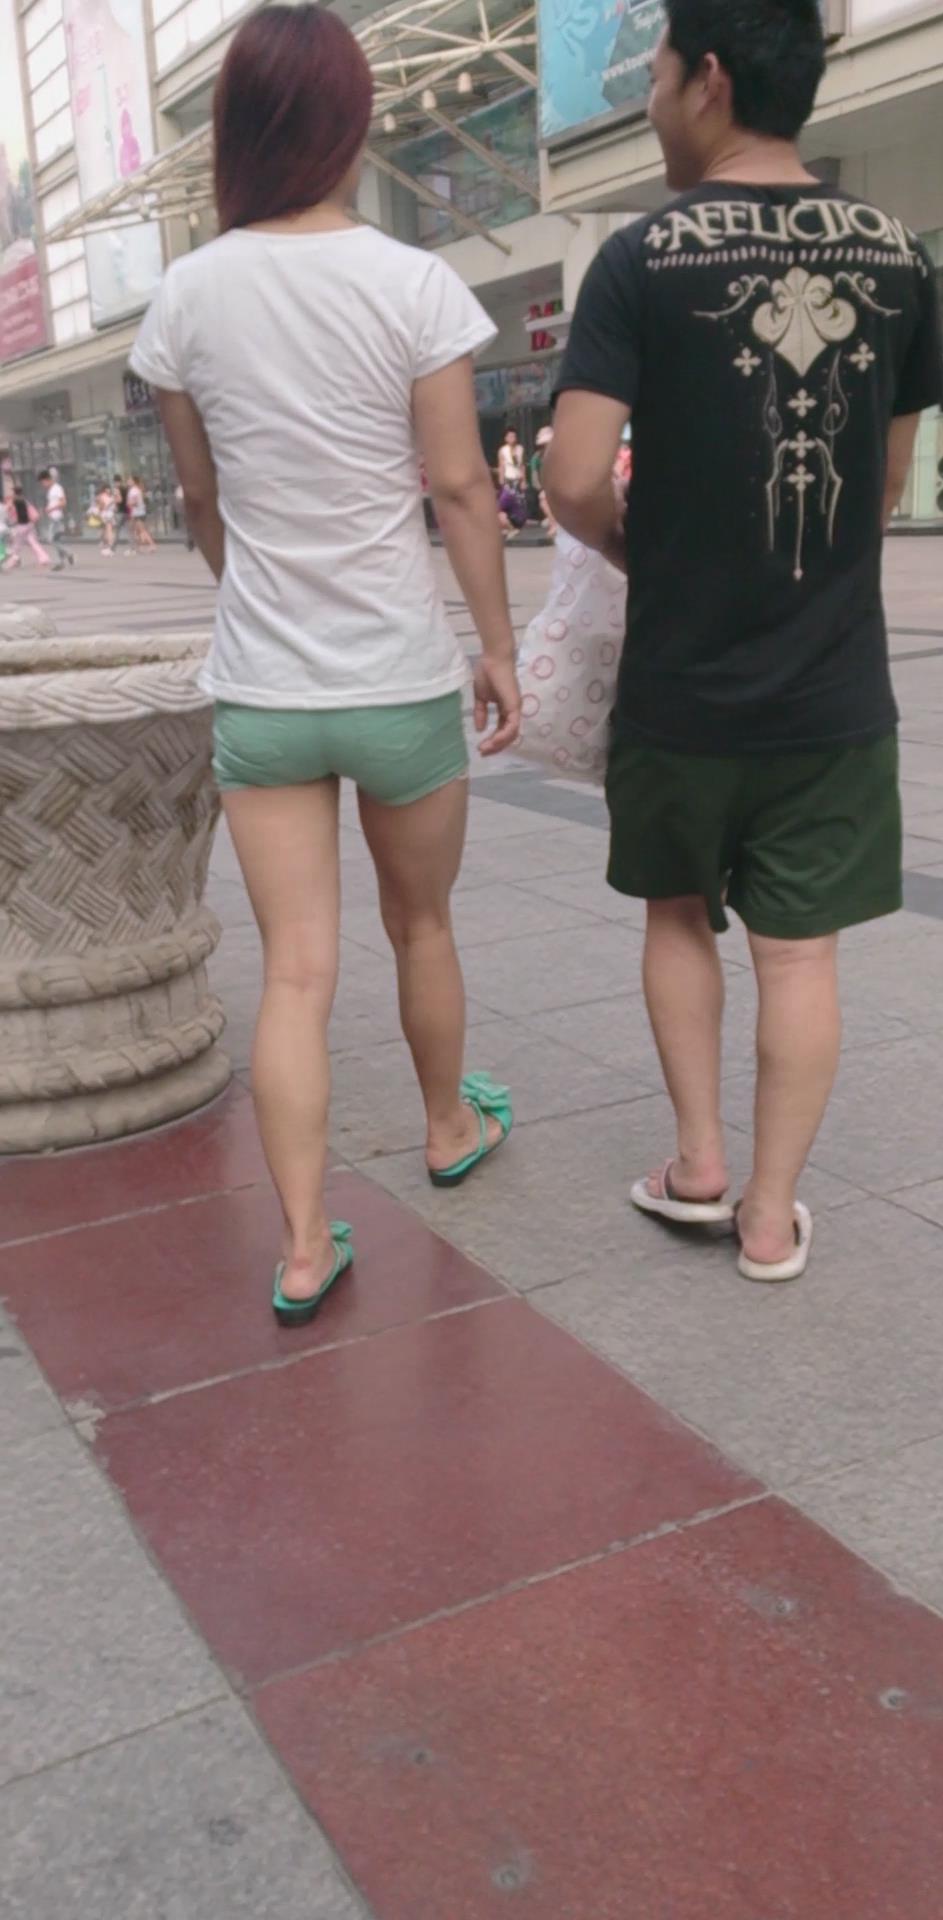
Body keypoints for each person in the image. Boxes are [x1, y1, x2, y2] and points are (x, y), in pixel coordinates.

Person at [130, 3, 521, 1325]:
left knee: (296, 970)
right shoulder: (413, 284)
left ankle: (303, 1246)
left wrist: (254, 598)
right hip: (399, 677)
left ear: (237, 131)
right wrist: (498, 649)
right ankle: (448, 1125)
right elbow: (460, 490)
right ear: (352, 127)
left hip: (265, 692)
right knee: (424, 925)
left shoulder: (186, 296)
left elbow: (201, 502)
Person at [545, 0, 943, 1284]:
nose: (651, 98)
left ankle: (699, 1165)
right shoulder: (900, 257)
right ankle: (770, 1219)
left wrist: (648, 556)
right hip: (834, 689)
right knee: (801, 952)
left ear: (708, 78)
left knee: (678, 916)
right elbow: (883, 489)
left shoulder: (640, 258)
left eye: (658, 73)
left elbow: (570, 479)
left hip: (681, 687)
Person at [2, 484, 51, 570]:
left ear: (14, 493)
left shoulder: (14, 501)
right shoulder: (24, 500)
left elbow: (6, 509)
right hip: (29, 524)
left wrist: (8, 507)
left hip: (21, 525)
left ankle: (12, 561)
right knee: (33, 542)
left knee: (16, 545)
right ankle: (44, 558)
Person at [38, 468, 75, 570]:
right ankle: (60, 563)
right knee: (56, 540)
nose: (42, 485)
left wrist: (51, 508)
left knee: (51, 539)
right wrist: (48, 508)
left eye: (42, 482)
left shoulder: (57, 488)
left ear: (47, 479)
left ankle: (69, 553)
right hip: (53, 517)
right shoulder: (51, 490)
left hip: (56, 518)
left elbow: (63, 502)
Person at [496, 426, 527, 535]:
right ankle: (507, 526)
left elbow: (522, 465)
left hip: (518, 480)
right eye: (510, 436)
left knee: (518, 505)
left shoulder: (520, 449)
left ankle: (515, 525)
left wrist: (524, 480)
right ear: (506, 438)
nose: (512, 438)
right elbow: (501, 466)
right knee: (501, 505)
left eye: (514, 436)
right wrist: (501, 481)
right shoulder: (502, 450)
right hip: (508, 481)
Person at [127, 474, 156, 551]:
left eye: (130, 480)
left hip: (138, 513)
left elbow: (135, 502)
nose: (128, 481)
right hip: (138, 512)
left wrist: (129, 503)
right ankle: (140, 546)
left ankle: (152, 545)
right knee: (137, 530)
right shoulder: (136, 489)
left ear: (134, 481)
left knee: (142, 530)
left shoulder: (134, 490)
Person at [96, 481, 117, 553]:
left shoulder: (109, 496)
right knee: (108, 529)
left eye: (109, 488)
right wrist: (110, 504)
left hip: (109, 514)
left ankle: (107, 543)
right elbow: (102, 507)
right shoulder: (102, 496)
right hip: (106, 514)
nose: (108, 490)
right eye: (107, 489)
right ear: (104, 489)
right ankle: (109, 543)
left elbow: (114, 508)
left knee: (107, 530)